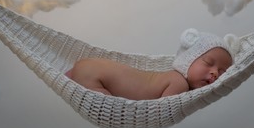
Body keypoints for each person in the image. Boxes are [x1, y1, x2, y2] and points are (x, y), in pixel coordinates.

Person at [65, 28, 240, 100]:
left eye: (222, 72)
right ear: (189, 59)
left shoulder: (167, 77)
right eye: (209, 63)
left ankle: (67, 77)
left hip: (87, 67)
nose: (215, 73)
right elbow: (162, 110)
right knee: (105, 105)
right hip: (95, 76)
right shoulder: (178, 83)